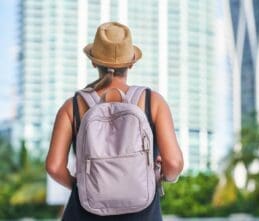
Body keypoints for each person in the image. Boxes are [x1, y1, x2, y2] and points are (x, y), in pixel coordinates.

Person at [45, 22, 184, 220]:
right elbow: (173, 163)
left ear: (94, 62)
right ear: (131, 63)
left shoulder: (72, 106)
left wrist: (85, 186)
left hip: (83, 212)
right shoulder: (153, 102)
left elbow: (54, 166)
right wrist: (163, 177)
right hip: (142, 213)